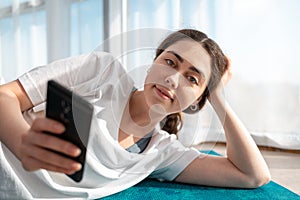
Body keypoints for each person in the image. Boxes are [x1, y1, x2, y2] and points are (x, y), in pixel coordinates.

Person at [0, 29, 271, 199]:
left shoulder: (161, 153)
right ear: (152, 64)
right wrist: (24, 143)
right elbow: (5, 95)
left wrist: (219, 98)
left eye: (192, 79)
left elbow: (252, 176)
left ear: (199, 99)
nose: (173, 80)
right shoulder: (101, 70)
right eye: (169, 62)